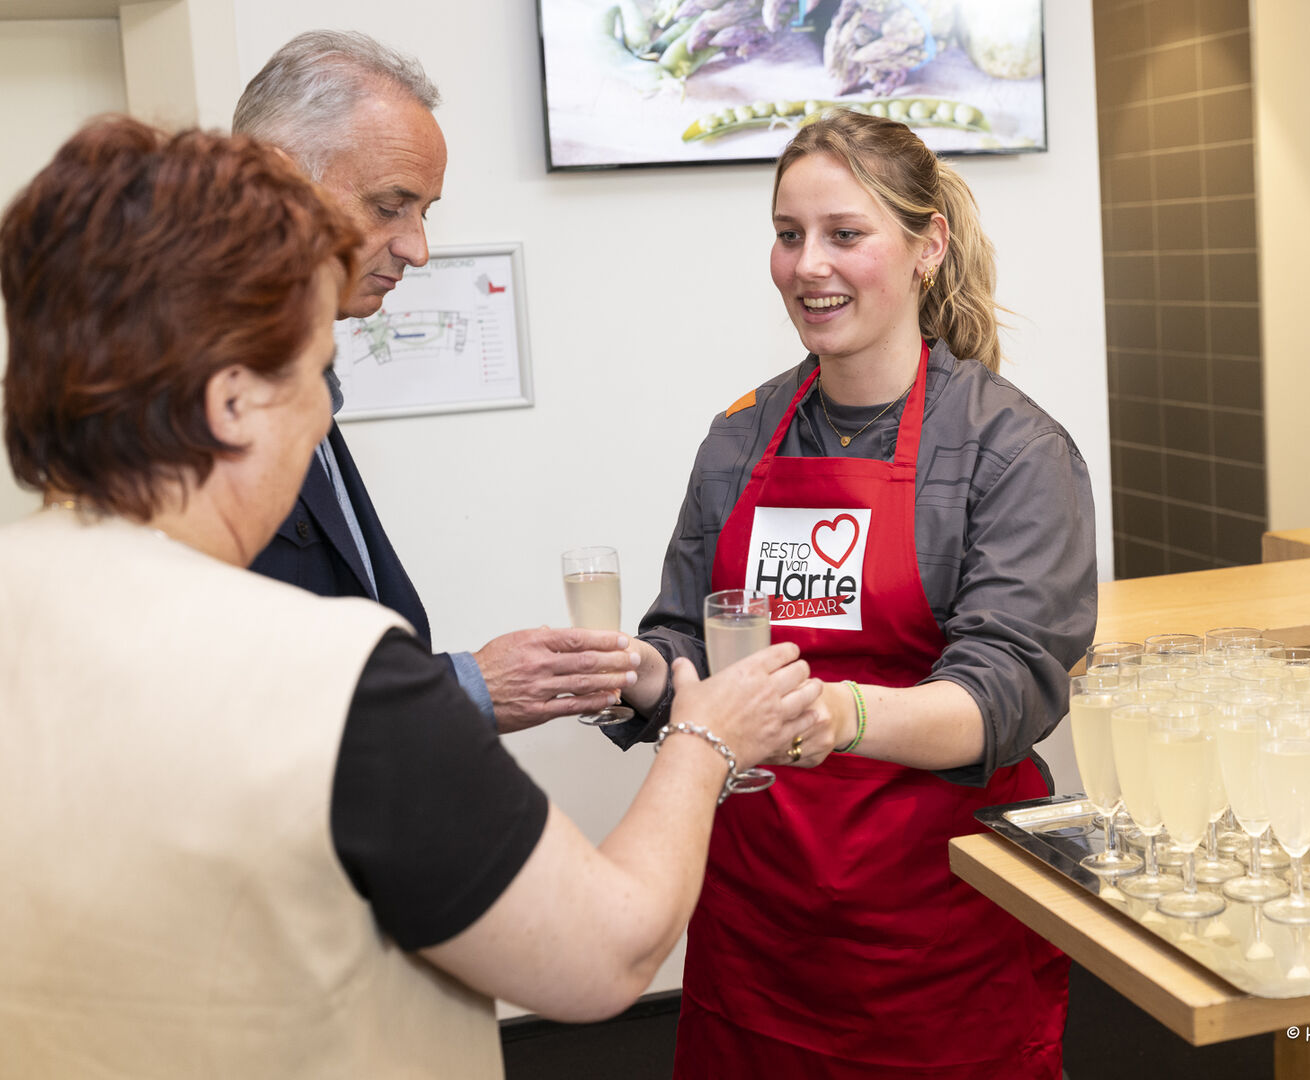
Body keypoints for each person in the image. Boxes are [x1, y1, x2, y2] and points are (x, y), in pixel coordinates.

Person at [0, 117, 825, 1077]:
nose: (320, 408)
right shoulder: (332, 681)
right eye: (313, 371)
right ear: (229, 405)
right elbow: (606, 954)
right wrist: (705, 738)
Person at [610, 109, 1098, 1078]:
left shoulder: (1010, 451)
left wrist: (833, 716)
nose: (806, 265)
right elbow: (687, 645)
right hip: (755, 925)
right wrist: (635, 676)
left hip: (937, 929)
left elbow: (1003, 695)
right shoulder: (740, 437)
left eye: (843, 234)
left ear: (927, 246)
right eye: (788, 235)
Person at [233, 30, 634, 733]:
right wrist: (470, 686)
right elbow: (238, 684)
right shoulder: (205, 390)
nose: (417, 249)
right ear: (276, 180)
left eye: (425, 211)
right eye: (390, 206)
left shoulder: (304, 369)